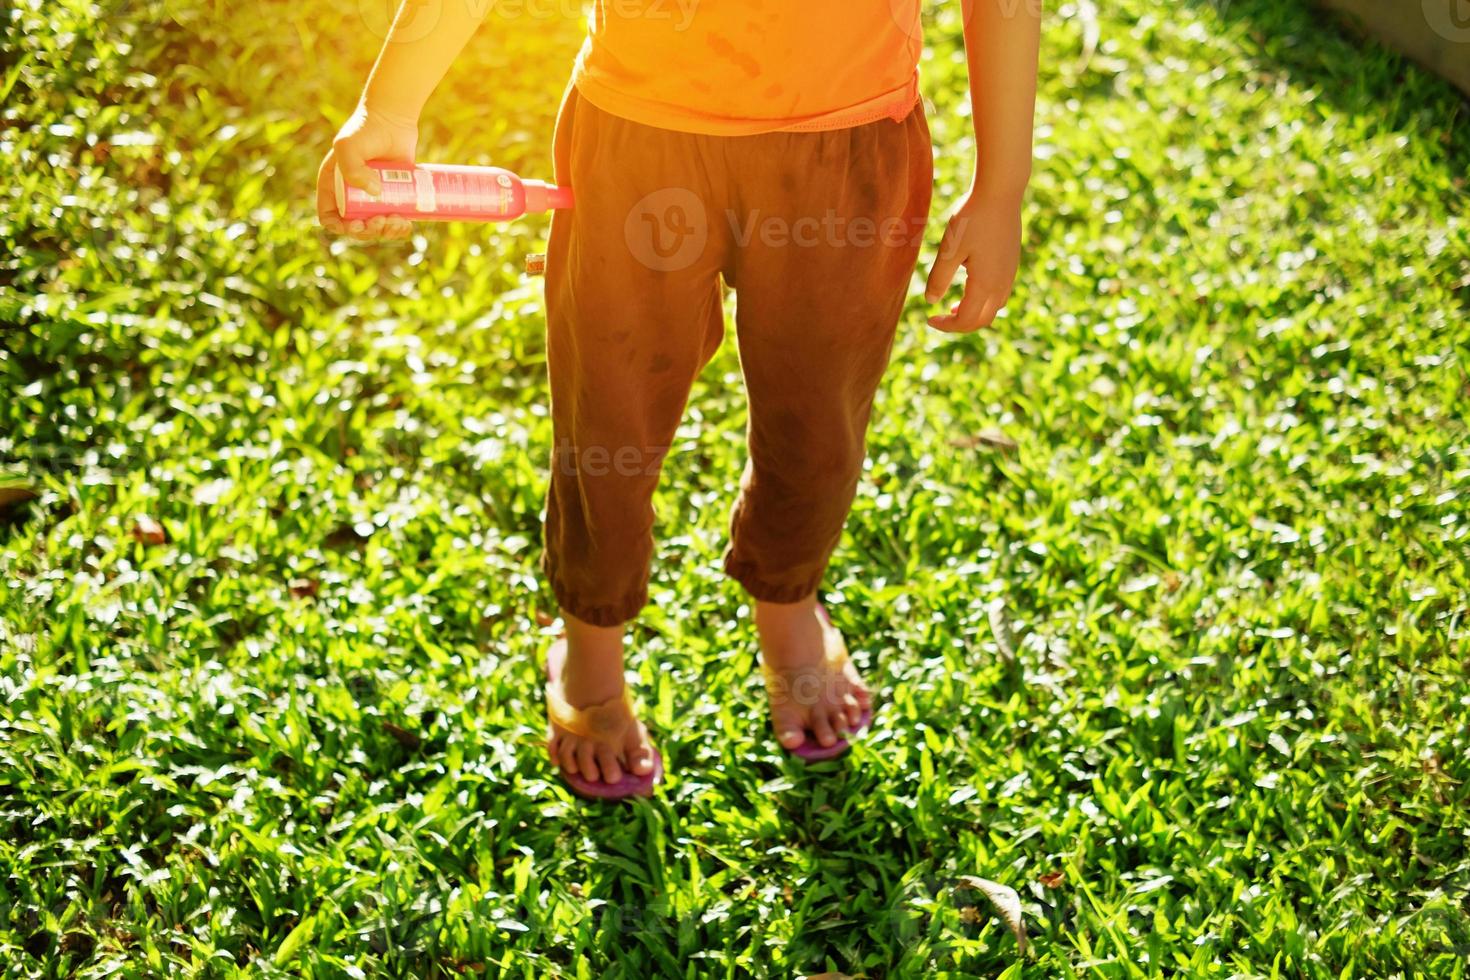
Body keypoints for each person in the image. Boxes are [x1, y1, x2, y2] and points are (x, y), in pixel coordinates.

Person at [316, 0, 1040, 798]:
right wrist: (387, 107)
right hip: (638, 140)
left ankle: (789, 601)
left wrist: (1002, 186)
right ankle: (591, 639)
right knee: (607, 415)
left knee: (819, 415)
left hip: (846, 148)